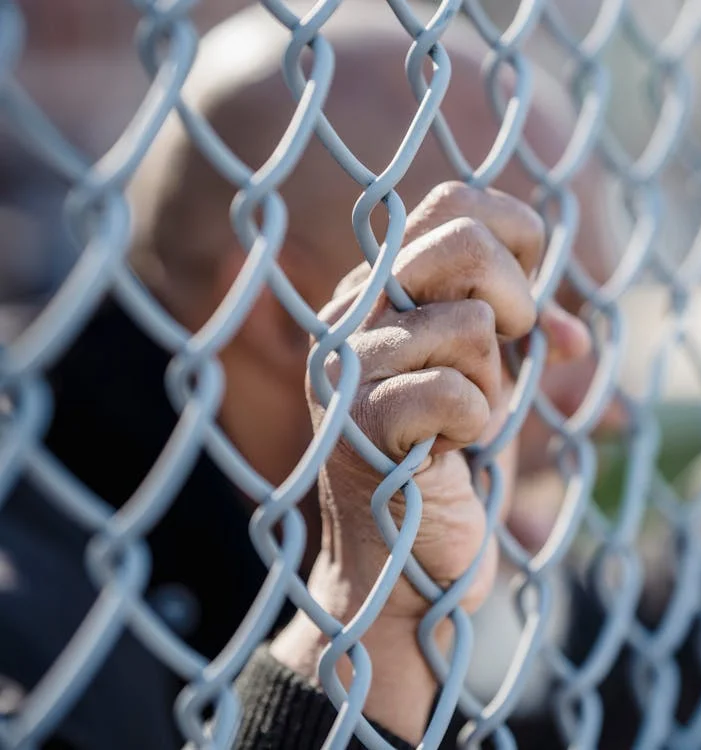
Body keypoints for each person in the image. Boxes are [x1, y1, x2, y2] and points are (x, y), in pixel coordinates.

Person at [0, 4, 612, 748]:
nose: (603, 410)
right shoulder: (35, 621)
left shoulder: (265, 538)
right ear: (288, 313)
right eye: (518, 332)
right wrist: (370, 615)